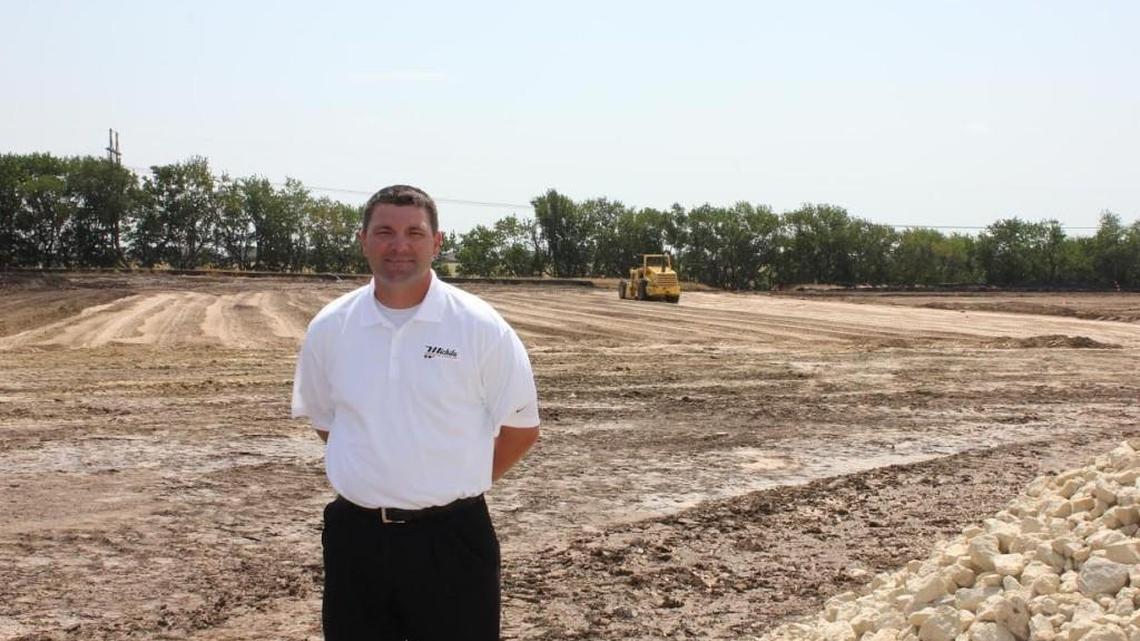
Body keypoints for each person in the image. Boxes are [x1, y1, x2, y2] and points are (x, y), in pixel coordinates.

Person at [291, 184, 540, 641]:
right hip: (357, 540)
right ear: (362, 239)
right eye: (384, 231)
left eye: (414, 233)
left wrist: (453, 482)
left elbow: (521, 429)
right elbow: (329, 423)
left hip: (453, 541)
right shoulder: (331, 327)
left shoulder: (480, 327)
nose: (399, 245)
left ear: (437, 242)